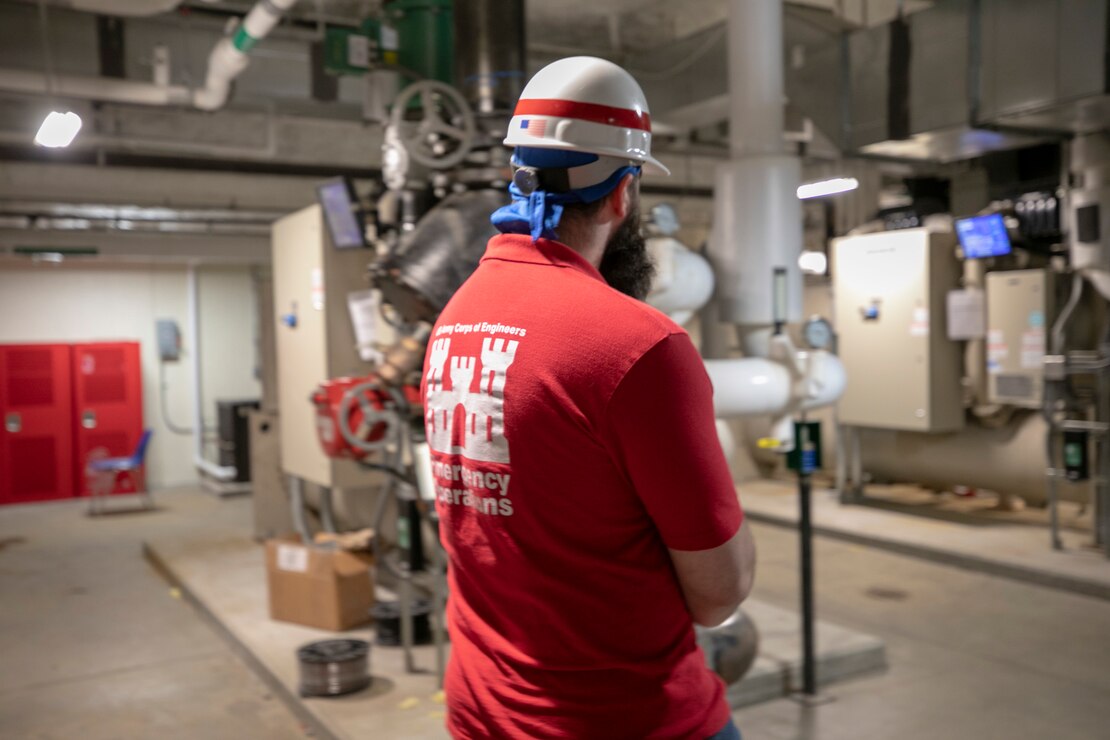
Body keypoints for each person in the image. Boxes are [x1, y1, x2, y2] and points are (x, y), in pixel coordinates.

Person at [421, 56, 756, 740]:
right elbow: (720, 593)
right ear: (621, 194)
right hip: (622, 720)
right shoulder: (639, 346)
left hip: (484, 713)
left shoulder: (454, 318)